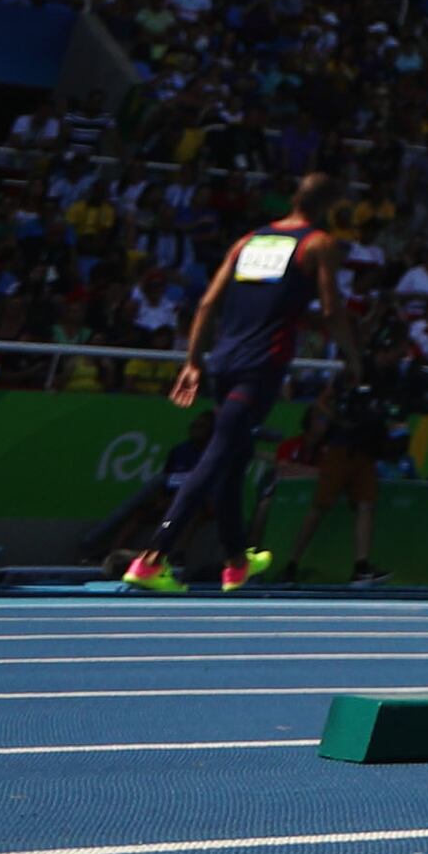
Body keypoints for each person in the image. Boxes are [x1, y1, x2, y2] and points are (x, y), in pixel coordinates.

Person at [119, 175, 350, 592]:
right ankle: (152, 557)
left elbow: (208, 302)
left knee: (235, 456)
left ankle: (235, 561)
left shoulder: (249, 241)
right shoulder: (319, 244)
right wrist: (355, 357)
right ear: (331, 207)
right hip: (260, 367)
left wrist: (193, 362)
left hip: (224, 362)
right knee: (218, 455)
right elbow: (333, 311)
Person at [277, 339, 403, 589]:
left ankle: (361, 567)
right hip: (341, 448)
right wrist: (339, 420)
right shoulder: (355, 372)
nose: (398, 359)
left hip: (367, 451)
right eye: (396, 354)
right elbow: (323, 401)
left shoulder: (389, 378)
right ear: (383, 351)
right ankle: (291, 565)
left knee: (366, 505)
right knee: (320, 507)